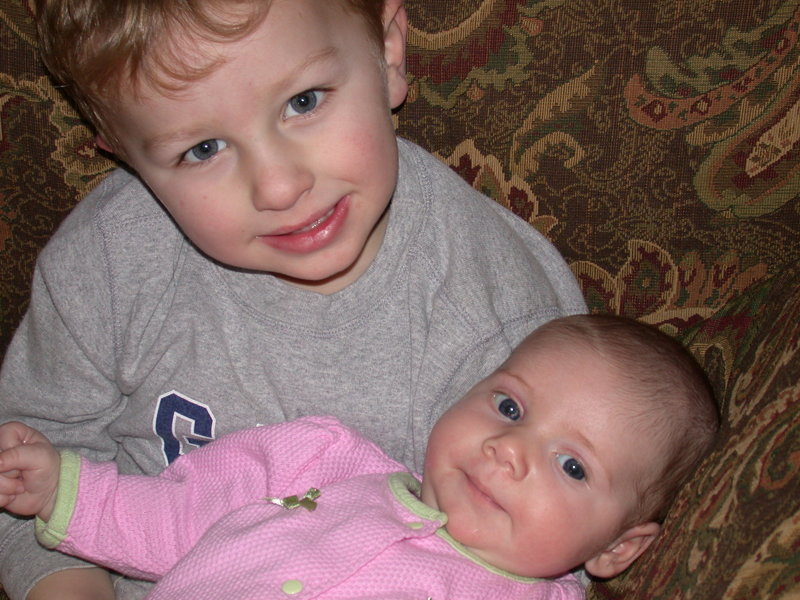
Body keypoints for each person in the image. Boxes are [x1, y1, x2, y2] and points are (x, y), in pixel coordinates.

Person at [0, 0, 588, 597]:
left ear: (387, 52)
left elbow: (563, 531)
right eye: (203, 149)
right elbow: (28, 463)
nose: (280, 188)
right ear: (127, 155)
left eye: (303, 102)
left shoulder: (508, 325)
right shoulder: (109, 261)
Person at [0, 315, 719, 600]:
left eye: (572, 466)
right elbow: (181, 512)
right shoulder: (326, 460)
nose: (508, 452)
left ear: (618, 548)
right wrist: (68, 488)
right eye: (509, 408)